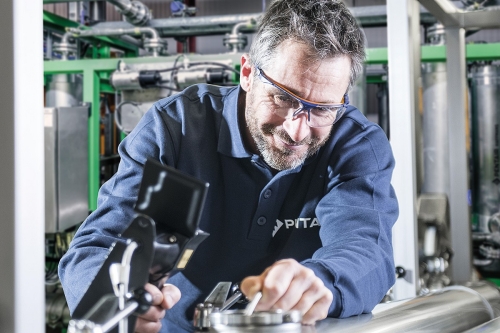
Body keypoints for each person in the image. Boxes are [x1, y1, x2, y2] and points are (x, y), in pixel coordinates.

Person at [59, 0, 399, 332]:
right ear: (248, 72)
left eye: (322, 109)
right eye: (283, 97)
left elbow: (365, 250)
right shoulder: (177, 131)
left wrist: (320, 282)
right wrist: (113, 303)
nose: (297, 130)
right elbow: (97, 247)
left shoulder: (355, 145)